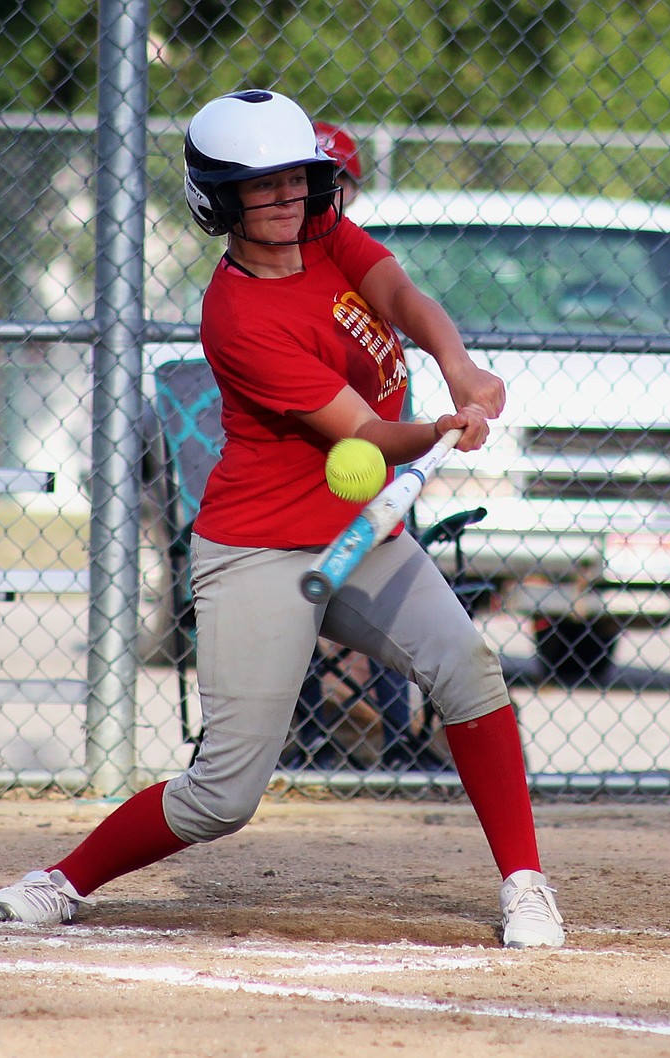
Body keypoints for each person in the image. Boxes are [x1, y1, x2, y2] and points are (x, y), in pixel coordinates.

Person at [0, 88, 565, 949]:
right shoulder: (239, 315)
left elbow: (401, 295)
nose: (291, 197)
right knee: (224, 793)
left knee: (467, 665)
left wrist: (459, 368)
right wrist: (439, 431)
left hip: (361, 535)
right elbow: (367, 436)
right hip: (258, 551)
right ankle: (60, 880)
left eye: (299, 178)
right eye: (265, 186)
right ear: (219, 199)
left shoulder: (324, 232)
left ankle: (525, 884)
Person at [285, 118, 436, 772]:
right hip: (302, 470)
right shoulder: (274, 265)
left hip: (369, 469)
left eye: (333, 184)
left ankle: (396, 733)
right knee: (295, 603)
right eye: (305, 184)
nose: (321, 198)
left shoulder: (357, 256)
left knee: (391, 603)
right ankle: (298, 727)